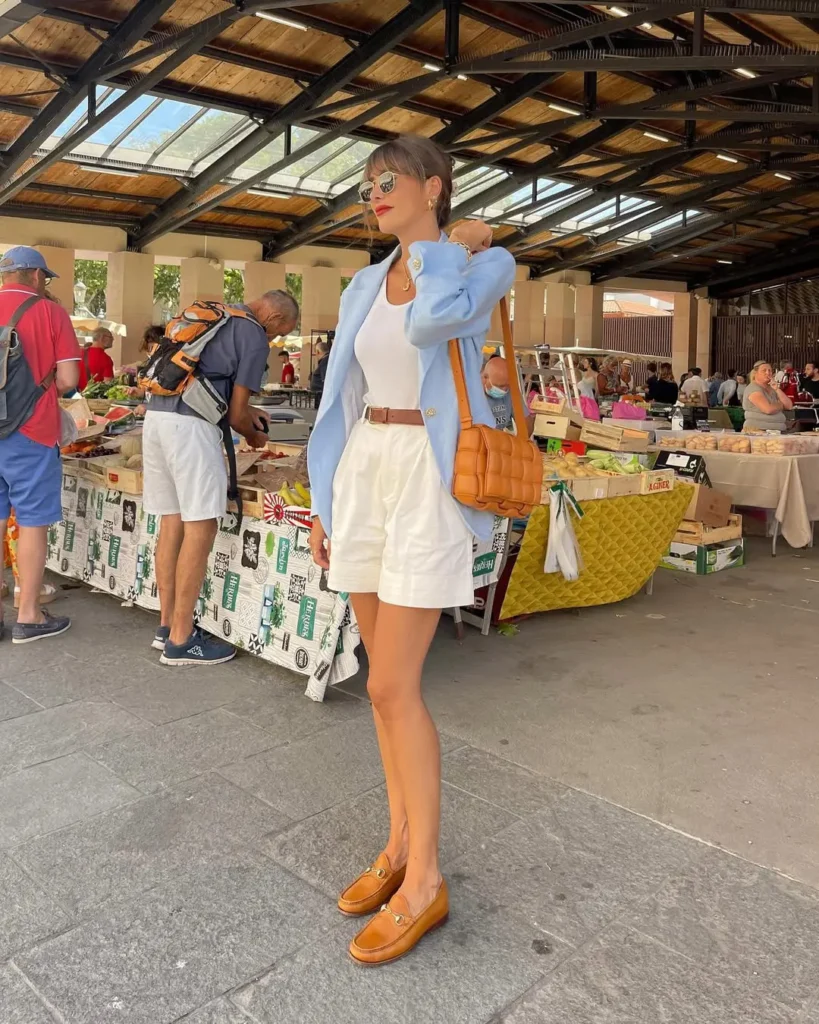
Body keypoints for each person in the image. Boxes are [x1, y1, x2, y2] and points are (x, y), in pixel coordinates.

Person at [308, 134, 514, 966]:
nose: (373, 194)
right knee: (377, 689)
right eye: (366, 185)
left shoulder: (476, 268)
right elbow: (341, 392)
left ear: (433, 186)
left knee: (395, 684)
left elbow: (435, 322)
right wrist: (326, 498)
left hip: (430, 475)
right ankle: (397, 845)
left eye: (387, 181)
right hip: (365, 468)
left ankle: (425, 880)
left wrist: (446, 249)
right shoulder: (362, 281)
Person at [143, 288, 298, 665]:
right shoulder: (253, 334)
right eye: (280, 332)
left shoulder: (217, 314)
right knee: (201, 526)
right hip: (191, 431)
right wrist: (254, 434)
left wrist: (246, 414)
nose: (275, 339)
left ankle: (166, 626)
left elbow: (219, 390)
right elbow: (236, 415)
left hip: (156, 418)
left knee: (172, 522)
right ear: (274, 319)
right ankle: (182, 640)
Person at [0, 246, 80, 643]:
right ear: (35, 276)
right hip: (32, 430)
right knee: (31, 522)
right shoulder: (51, 312)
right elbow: (67, 379)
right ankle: (29, 615)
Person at [743, 359, 793, 432]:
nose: (768, 373)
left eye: (770, 370)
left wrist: (777, 389)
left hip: (777, 432)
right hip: (758, 431)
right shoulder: (753, 388)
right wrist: (781, 405)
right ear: (755, 374)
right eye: (764, 370)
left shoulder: (772, 388)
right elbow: (768, 409)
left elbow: (789, 406)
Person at [482, 354, 513, 429]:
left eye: (507, 385)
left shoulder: (511, 391)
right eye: (500, 386)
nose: (504, 390)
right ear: (485, 378)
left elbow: (525, 420)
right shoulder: (470, 395)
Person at [310, 340, 330, 407]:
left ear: (318, 352)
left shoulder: (325, 361)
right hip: (320, 395)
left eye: (315, 352)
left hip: (320, 396)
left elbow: (325, 380)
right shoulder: (326, 360)